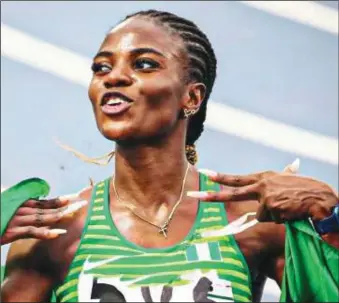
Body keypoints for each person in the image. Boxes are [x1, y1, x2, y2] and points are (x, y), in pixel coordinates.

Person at [1, 9, 338, 303]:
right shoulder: (56, 233)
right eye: (101, 68)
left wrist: (331, 216)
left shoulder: (251, 221)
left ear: (191, 97)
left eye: (144, 64)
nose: (114, 77)